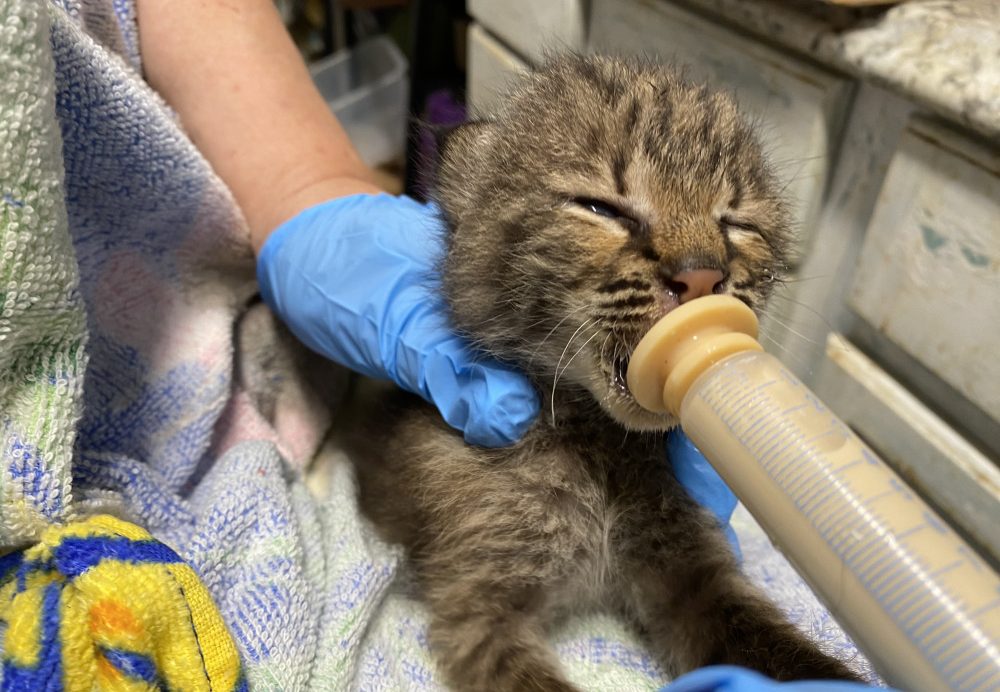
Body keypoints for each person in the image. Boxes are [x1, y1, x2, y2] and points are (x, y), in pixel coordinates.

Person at [2, 0, 874, 687]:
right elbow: (479, 636)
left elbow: (696, 597)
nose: (697, 264)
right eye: (606, 210)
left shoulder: (676, 438)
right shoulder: (471, 448)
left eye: (735, 226)